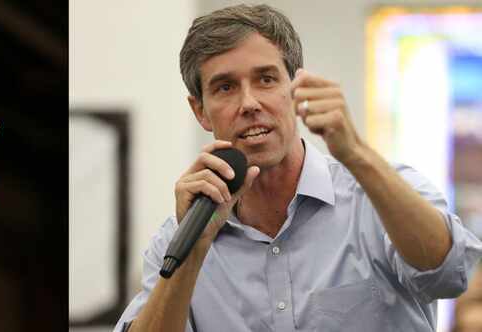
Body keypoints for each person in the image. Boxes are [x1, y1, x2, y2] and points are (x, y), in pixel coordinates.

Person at [115, 4, 482, 331]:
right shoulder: (180, 236)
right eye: (225, 87)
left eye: (266, 79)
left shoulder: (376, 196)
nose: (250, 102)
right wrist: (193, 251)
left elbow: (450, 275)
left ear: (297, 87)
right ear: (200, 111)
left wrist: (355, 153)